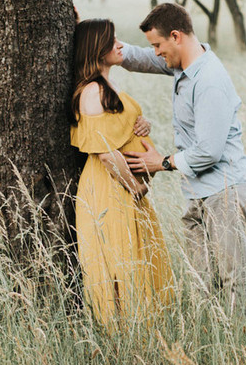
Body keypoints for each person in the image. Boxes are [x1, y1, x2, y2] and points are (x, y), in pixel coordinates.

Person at [121, 2, 246, 322]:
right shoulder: (182, 65)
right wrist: (102, 42)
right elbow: (138, 58)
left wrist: (162, 162)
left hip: (226, 192)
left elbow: (209, 151)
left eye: (158, 45)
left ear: (176, 36)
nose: (156, 52)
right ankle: (215, 342)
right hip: (198, 193)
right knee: (204, 284)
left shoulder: (208, 80)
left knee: (236, 281)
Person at [70, 18, 174, 326]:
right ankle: (121, 336)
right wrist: (136, 186)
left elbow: (119, 128)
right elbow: (105, 152)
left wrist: (143, 124)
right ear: (96, 49)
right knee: (118, 261)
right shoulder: (92, 92)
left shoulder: (108, 86)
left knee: (134, 257)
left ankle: (141, 332)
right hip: (111, 187)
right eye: (111, 41)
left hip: (125, 188)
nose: (119, 45)